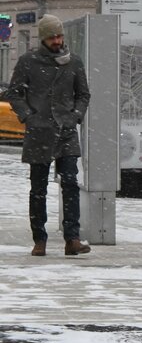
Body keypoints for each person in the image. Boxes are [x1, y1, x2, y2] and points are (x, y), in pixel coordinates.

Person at [6, 15, 92, 257]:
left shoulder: (73, 62)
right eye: (52, 37)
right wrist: (28, 116)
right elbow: (14, 93)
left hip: (66, 131)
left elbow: (83, 94)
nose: (57, 40)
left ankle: (72, 239)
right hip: (39, 131)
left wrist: (76, 115)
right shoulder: (28, 61)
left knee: (70, 184)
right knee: (38, 188)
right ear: (44, 38)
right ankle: (39, 239)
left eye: (59, 35)